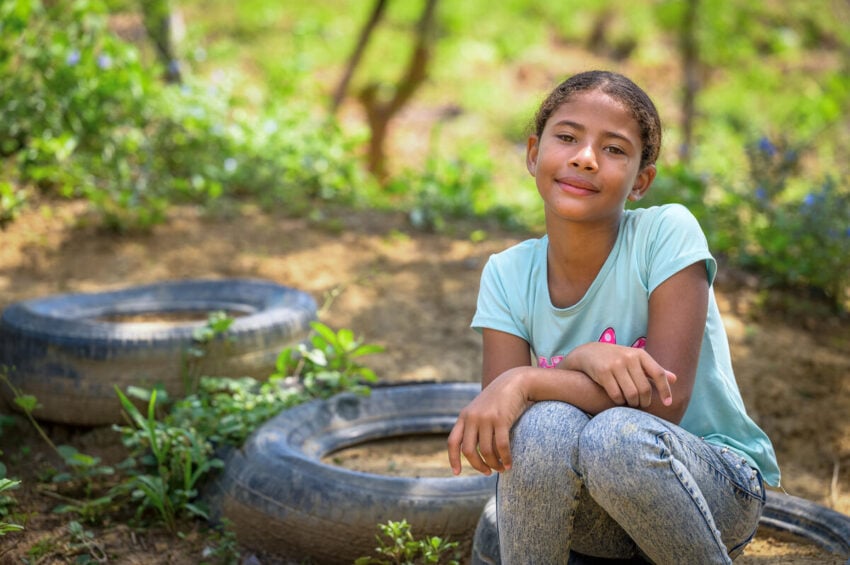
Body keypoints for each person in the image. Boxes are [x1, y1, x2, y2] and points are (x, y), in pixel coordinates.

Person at [446, 70, 781, 564]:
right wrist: (565, 369)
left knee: (614, 438)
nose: (585, 157)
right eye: (567, 138)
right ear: (534, 153)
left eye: (614, 149)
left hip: (711, 486)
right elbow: (504, 431)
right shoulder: (508, 273)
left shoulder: (665, 234)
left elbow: (665, 402)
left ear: (640, 180)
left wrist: (533, 377)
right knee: (540, 427)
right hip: (596, 516)